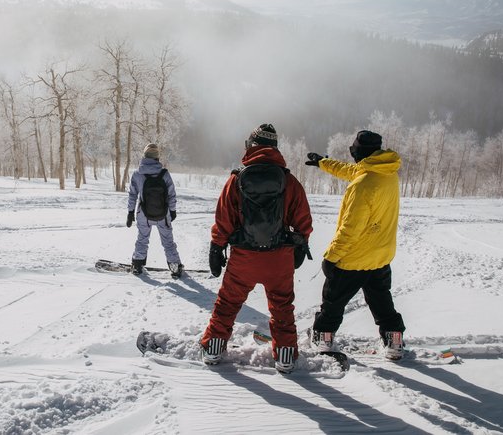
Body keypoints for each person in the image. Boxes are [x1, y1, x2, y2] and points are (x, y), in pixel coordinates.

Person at [200, 124, 313, 373]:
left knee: (228, 303)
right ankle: (285, 356)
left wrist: (216, 248)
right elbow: (303, 220)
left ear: (250, 146)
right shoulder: (289, 181)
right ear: (274, 148)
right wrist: (300, 245)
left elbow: (223, 220)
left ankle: (213, 348)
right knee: (282, 306)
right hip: (279, 258)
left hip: (244, 258)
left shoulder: (237, 179)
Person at [305, 129, 406, 360]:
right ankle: (394, 340)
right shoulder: (386, 172)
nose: (352, 152)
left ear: (361, 151)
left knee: (333, 301)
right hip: (380, 256)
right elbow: (353, 171)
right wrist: (324, 162)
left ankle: (323, 338)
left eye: (355, 148)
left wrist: (331, 256)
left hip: (354, 258)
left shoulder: (362, 186)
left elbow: (350, 228)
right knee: (382, 302)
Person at [127, 143, 183, 279]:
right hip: (163, 215)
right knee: (168, 242)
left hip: (143, 215)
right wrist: (173, 210)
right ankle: (174, 266)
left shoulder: (137, 174)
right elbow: (171, 194)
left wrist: (130, 212)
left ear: (144, 156)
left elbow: (132, 194)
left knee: (142, 240)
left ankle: (137, 265)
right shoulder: (164, 174)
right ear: (157, 157)